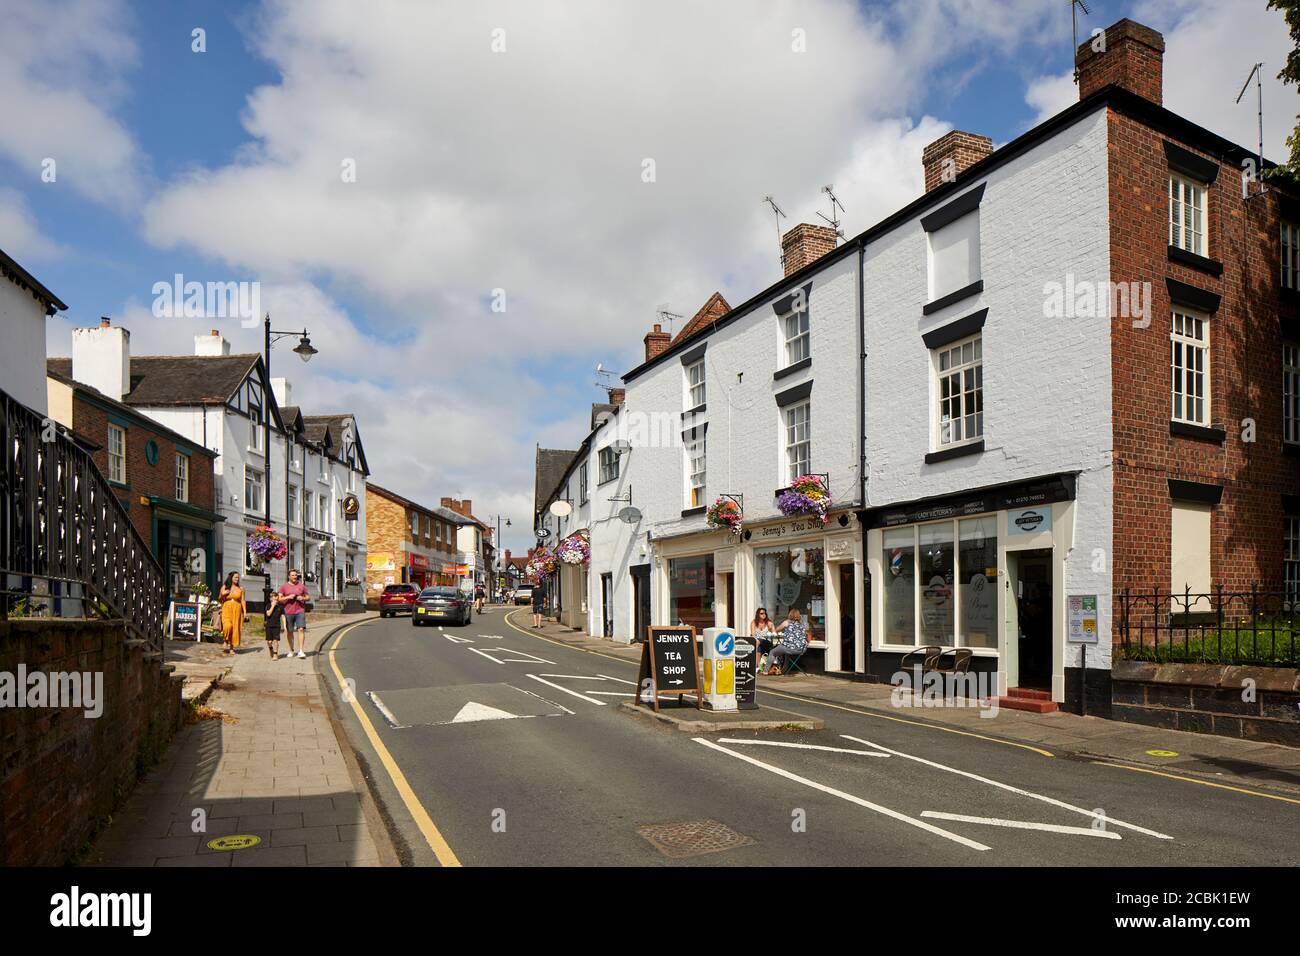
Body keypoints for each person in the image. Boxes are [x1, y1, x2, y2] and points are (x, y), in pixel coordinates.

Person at [278, 568, 311, 659]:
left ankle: (301, 650)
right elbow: (279, 599)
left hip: (300, 611)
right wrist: (288, 597)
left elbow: (308, 597)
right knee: (289, 632)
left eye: (296, 575)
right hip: (288, 611)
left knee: (301, 629)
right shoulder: (284, 587)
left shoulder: (301, 586)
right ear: (289, 576)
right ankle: (291, 650)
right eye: (292, 575)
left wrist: (302, 598)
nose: (295, 577)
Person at [768, 608, 812, 675]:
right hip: (801, 649)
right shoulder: (802, 624)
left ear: (790, 615)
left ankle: (765, 671)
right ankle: (784, 670)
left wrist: (781, 631)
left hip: (789, 648)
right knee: (786, 652)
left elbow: (777, 629)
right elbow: (806, 634)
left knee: (772, 652)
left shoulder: (787, 622)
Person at [218, 571, 247, 655]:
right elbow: (219, 598)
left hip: (237, 609)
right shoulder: (225, 586)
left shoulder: (241, 589)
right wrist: (223, 593)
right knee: (228, 626)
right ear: (231, 578)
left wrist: (245, 612)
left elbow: (243, 600)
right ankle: (225, 640)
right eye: (235, 577)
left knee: (235, 628)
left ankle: (231, 648)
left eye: (238, 577)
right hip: (226, 608)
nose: (237, 579)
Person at [751, 607, 777, 672]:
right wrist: (757, 640)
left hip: (766, 642)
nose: (764, 615)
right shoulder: (754, 622)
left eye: (765, 613)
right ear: (758, 614)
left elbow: (774, 634)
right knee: (758, 647)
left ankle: (758, 667)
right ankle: (759, 667)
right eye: (761, 613)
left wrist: (772, 628)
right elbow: (753, 635)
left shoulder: (768, 622)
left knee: (759, 642)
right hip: (757, 642)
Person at [264, 590, 284, 660]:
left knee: (276, 640)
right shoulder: (268, 606)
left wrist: (285, 626)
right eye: (273, 597)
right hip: (269, 626)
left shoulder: (280, 607)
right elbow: (268, 614)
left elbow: (283, 616)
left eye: (276, 597)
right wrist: (272, 606)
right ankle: (270, 648)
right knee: (269, 642)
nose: (275, 599)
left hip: (277, 626)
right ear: (270, 599)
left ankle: (275, 654)